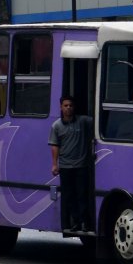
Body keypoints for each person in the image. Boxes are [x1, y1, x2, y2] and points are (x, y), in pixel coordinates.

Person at [48, 95, 93, 232]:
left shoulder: (83, 121)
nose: (68, 108)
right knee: (69, 195)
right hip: (66, 166)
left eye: (71, 105)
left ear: (74, 107)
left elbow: (97, 121)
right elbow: (55, 146)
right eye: (66, 105)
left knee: (82, 194)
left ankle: (85, 222)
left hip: (81, 166)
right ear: (61, 108)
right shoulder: (56, 126)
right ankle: (76, 222)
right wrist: (55, 164)